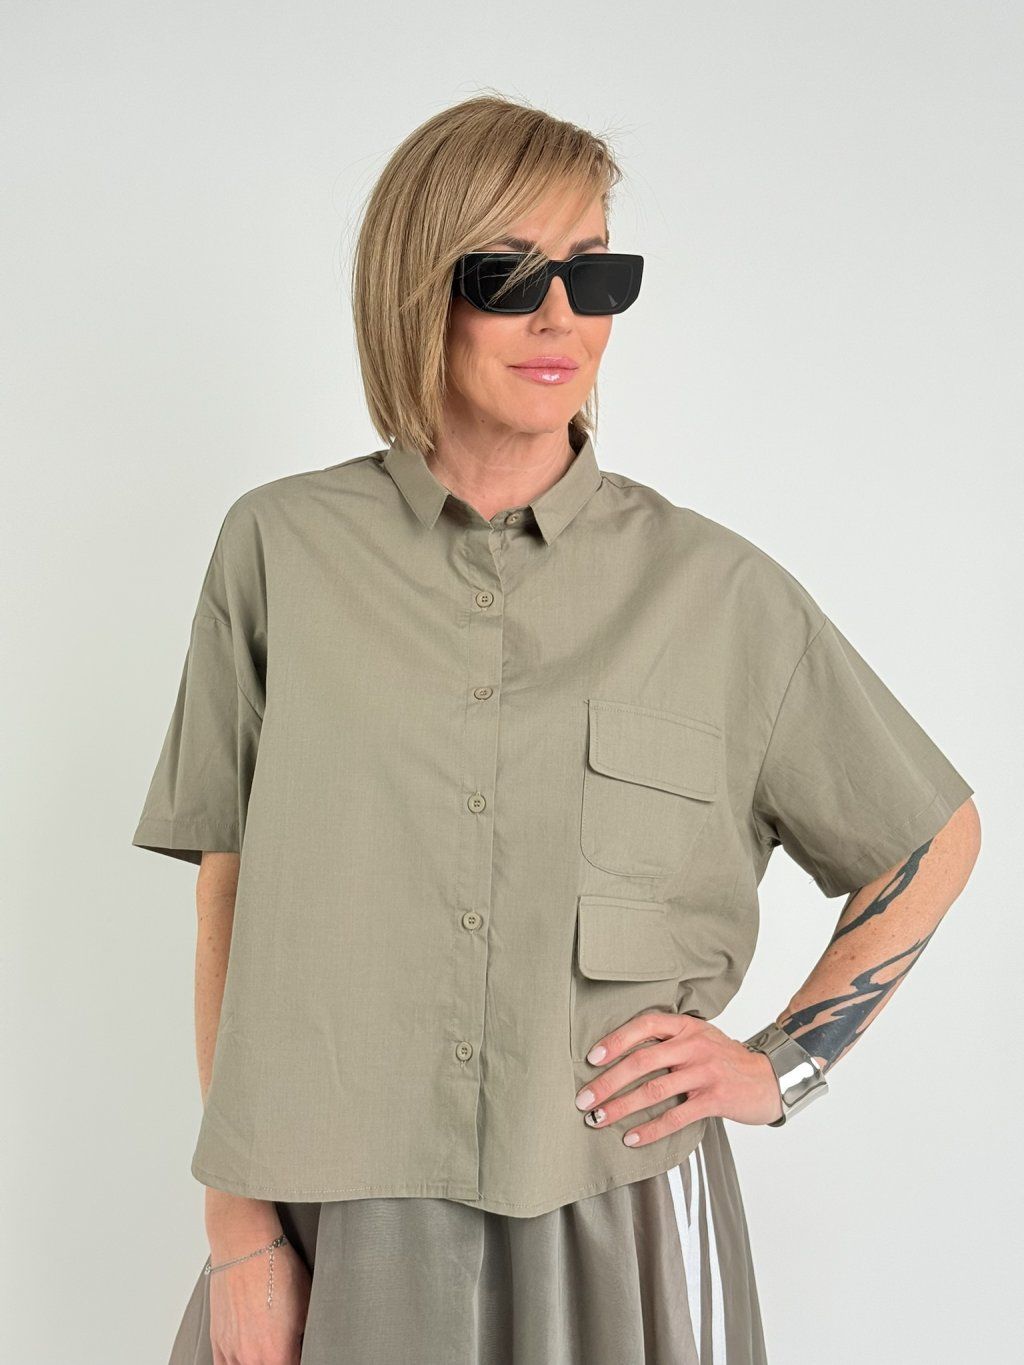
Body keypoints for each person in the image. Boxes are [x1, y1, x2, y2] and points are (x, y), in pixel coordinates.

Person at [130, 94, 981, 1365]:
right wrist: (237, 1229)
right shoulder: (280, 552)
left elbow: (929, 836)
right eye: (508, 274)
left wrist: (783, 1065)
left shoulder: (716, 592)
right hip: (335, 1216)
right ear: (417, 291)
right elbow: (229, 891)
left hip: (619, 1214)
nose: (561, 318)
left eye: (595, 273)